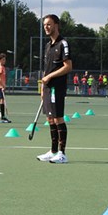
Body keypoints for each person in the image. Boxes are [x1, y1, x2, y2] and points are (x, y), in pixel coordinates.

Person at [37, 14, 72, 164]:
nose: (46, 27)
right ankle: (53, 151)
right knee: (50, 119)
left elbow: (68, 67)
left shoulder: (63, 44)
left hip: (57, 87)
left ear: (56, 25)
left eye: (49, 24)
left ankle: (62, 153)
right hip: (47, 87)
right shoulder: (47, 46)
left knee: (58, 118)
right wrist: (42, 86)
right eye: (44, 24)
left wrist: (50, 77)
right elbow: (46, 69)